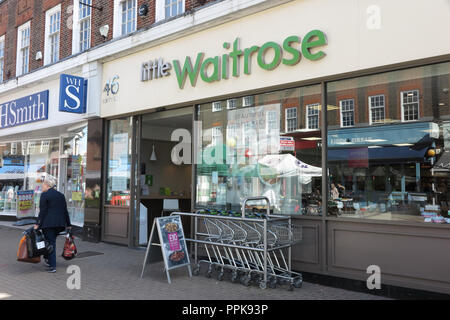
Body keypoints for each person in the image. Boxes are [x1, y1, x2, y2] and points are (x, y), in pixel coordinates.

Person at [34, 179, 71, 273]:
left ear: (47, 185)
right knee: (50, 241)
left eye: (43, 185)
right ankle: (48, 259)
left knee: (50, 244)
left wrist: (37, 224)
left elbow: (42, 211)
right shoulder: (60, 195)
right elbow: (65, 210)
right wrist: (68, 224)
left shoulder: (45, 195)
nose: (42, 187)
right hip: (59, 224)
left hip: (48, 224)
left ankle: (52, 266)